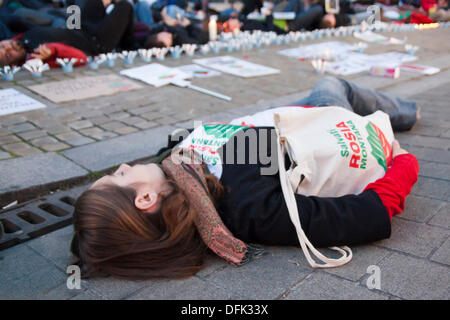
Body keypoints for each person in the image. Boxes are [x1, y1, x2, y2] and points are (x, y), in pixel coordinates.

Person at [70, 77, 420, 280]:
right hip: (331, 128)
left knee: (326, 89)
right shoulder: (250, 208)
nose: (124, 167)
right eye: (118, 175)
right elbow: (365, 215)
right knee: (331, 84)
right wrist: (405, 164)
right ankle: (408, 112)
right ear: (145, 199)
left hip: (299, 121)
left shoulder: (180, 170)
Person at [0, 0, 135, 67]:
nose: (9, 48)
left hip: (77, 29)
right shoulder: (36, 57)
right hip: (96, 44)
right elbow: (81, 58)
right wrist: (53, 51)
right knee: (124, 5)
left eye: (2, 46)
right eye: (8, 55)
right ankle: (131, 48)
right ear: (12, 64)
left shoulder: (21, 38)